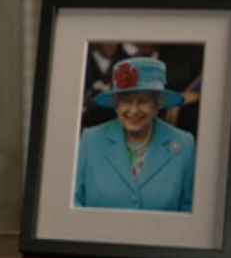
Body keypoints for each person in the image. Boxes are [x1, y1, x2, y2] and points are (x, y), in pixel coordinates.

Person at [74, 57, 196, 212]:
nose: (133, 110)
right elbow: (74, 200)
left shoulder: (184, 144)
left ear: (157, 103)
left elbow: (189, 208)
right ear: (116, 104)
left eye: (143, 101)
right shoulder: (90, 140)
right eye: (126, 100)